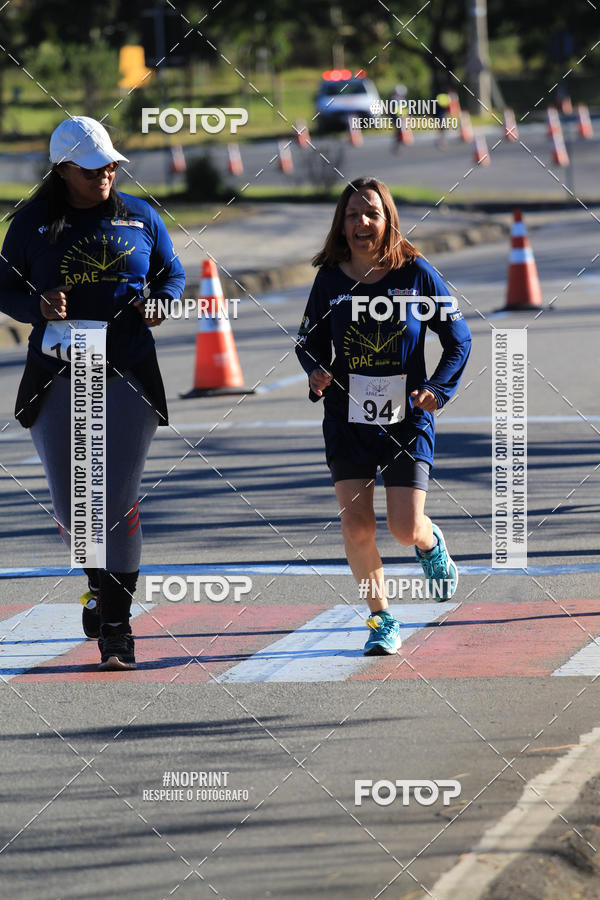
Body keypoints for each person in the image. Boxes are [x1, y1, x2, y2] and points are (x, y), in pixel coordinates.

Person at [0, 116, 185, 670]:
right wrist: (35, 306)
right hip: (59, 374)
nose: (106, 173)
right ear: (62, 170)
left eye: (110, 164)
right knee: (74, 507)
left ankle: (116, 627)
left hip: (127, 369)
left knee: (116, 500)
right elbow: (2, 284)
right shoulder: (31, 223)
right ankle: (97, 585)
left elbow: (172, 277)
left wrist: (161, 304)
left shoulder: (141, 216)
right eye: (91, 167)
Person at [296, 176, 472, 655]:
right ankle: (381, 619)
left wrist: (438, 388)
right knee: (356, 526)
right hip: (347, 416)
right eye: (352, 214)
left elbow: (459, 338)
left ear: (387, 220)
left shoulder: (415, 273)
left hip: (407, 417)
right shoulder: (330, 278)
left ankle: (429, 541)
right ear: (341, 223)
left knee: (401, 528)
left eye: (371, 213)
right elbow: (308, 340)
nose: (361, 222)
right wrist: (315, 370)